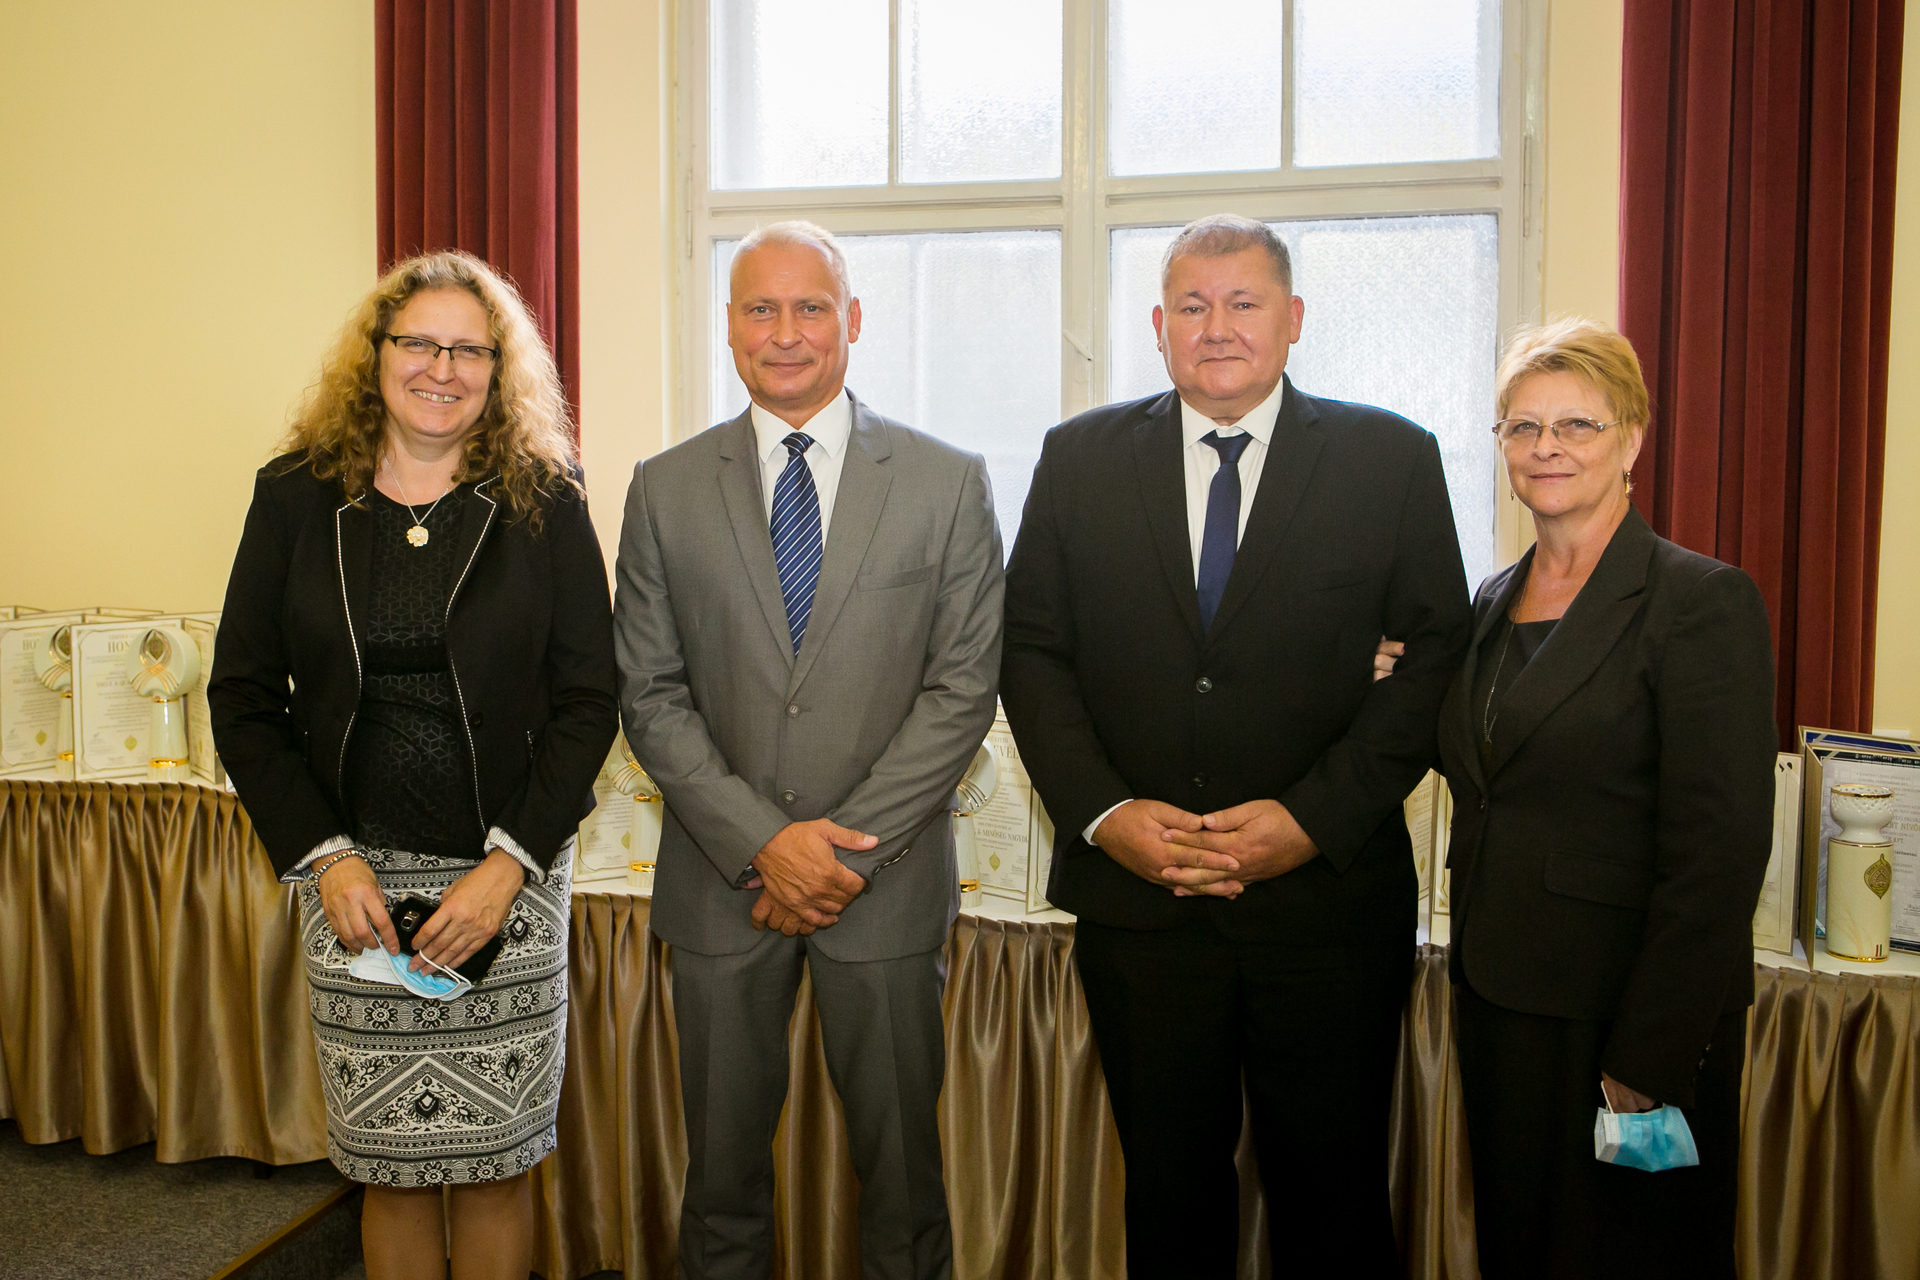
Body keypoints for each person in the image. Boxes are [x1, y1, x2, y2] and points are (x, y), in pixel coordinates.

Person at [1000, 213, 1472, 1277]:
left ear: (1293, 318)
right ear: (1158, 326)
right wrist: (1106, 815)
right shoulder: (1077, 460)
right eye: (1193, 306)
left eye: (1244, 302)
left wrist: (1311, 820)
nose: (1217, 327)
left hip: (1328, 912)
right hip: (1143, 911)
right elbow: (1030, 651)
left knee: (1334, 1203)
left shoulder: (1390, 458)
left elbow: (1437, 656)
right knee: (1170, 1201)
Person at [210, 250, 617, 1280]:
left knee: (493, 1169)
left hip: (507, 879)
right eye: (420, 343)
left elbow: (589, 699)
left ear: (498, 371)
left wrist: (508, 864)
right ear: (377, 354)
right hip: (352, 885)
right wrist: (328, 856)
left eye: (468, 351)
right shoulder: (294, 497)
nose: (442, 368)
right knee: (387, 1170)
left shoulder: (545, 499)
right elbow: (243, 699)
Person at [613, 220, 1003, 1280]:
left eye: (810, 307)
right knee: (720, 1184)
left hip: (882, 890)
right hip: (721, 891)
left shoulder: (946, 481)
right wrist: (764, 842)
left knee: (905, 1184)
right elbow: (649, 691)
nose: (785, 332)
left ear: (853, 319)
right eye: (760, 308)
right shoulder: (663, 487)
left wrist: (836, 855)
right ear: (730, 325)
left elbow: (962, 689)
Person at [1434, 319, 1775, 1279]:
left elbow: (1720, 851)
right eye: (1523, 426)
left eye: (1577, 425)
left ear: (1630, 441)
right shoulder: (1490, 602)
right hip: (1502, 1004)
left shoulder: (1699, 602)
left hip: (1626, 1018)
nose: (1546, 447)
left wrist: (1649, 1054)